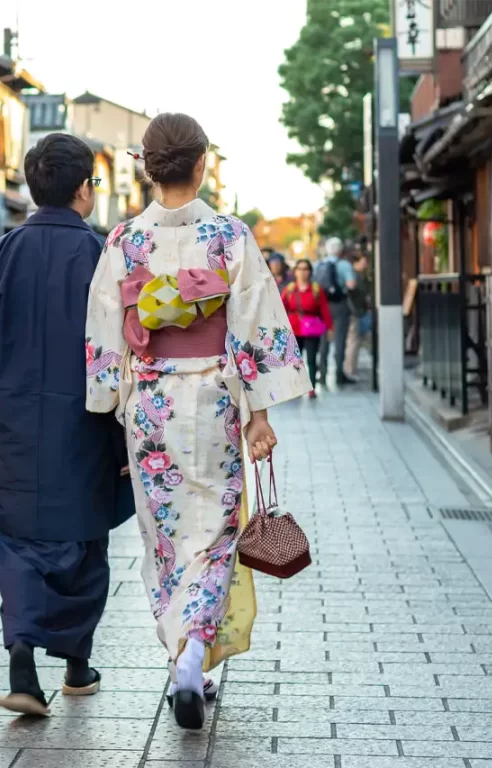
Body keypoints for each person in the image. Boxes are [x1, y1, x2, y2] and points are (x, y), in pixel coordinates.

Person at [84, 112, 311, 730]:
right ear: (202, 164)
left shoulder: (124, 240)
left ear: (147, 168)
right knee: (215, 536)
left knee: (165, 540)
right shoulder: (229, 235)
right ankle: (192, 658)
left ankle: (182, 657)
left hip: (151, 407)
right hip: (214, 398)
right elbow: (254, 324)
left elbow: (105, 332)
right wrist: (258, 413)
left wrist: (108, 399)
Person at [0, 133, 129, 716]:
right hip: (88, 426)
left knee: (17, 543)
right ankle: (76, 666)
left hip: (14, 428)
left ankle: (22, 663)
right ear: (83, 189)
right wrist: (129, 433)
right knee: (83, 542)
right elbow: (128, 348)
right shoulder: (105, 258)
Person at [282, 259, 333, 398]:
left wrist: (330, 328)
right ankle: (296, 387)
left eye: (306, 269)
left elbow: (324, 309)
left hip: (312, 329)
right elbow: (281, 308)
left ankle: (311, 387)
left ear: (310, 271)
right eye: (300, 269)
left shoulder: (316, 289)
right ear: (295, 271)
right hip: (294, 329)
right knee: (294, 360)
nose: (303, 272)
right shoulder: (290, 289)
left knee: (311, 359)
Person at [315, 237, 357, 386]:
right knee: (340, 339)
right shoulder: (344, 265)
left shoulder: (319, 264)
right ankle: (339, 374)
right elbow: (351, 285)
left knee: (323, 341)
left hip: (322, 306)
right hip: (340, 305)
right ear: (340, 250)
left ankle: (322, 374)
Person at [344, 250, 372, 379]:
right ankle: (350, 370)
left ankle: (350, 368)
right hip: (356, 313)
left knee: (355, 341)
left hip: (356, 312)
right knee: (354, 342)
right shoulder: (355, 276)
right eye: (364, 261)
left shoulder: (354, 275)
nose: (366, 264)